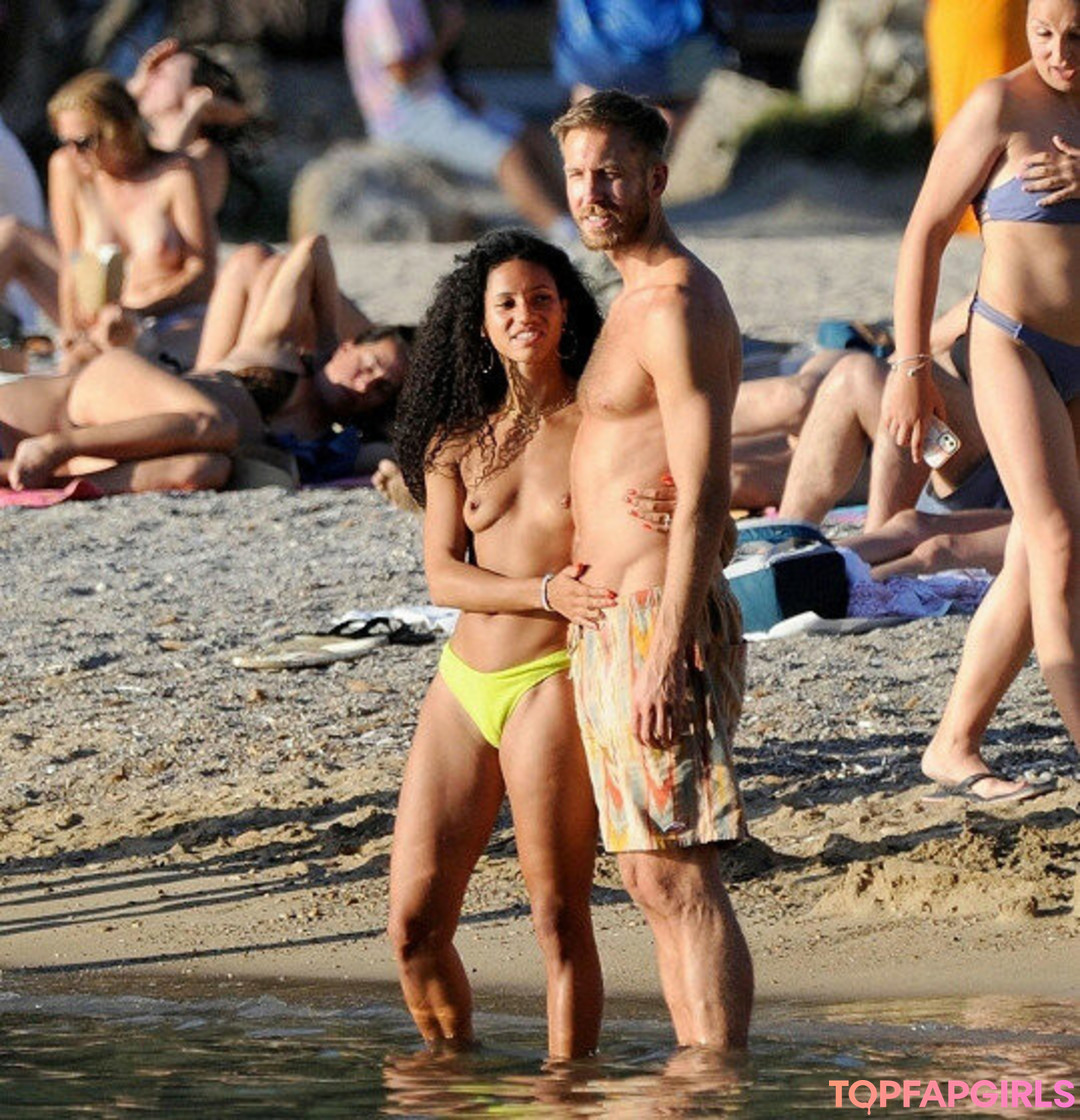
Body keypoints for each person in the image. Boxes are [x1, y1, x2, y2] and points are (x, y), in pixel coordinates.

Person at [553, 90, 753, 1049]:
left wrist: (666, 655)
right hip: (614, 621)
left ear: (657, 179)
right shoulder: (629, 300)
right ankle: (699, 1070)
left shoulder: (675, 303)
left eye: (610, 174)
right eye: (575, 175)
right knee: (647, 872)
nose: (590, 194)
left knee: (679, 873)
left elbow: (707, 485)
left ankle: (718, 1080)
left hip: (653, 623)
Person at [386, 229, 614, 1058]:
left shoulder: (599, 424)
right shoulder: (455, 440)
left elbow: (685, 505)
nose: (525, 315)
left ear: (567, 311)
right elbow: (443, 577)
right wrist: (542, 590)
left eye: (541, 299)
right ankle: (451, 1077)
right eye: (507, 303)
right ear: (479, 323)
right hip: (461, 685)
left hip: (549, 679)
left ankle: (567, 1095)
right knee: (413, 926)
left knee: (556, 916)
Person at [881, 0, 1080, 803]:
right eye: (1044, 32)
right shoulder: (1000, 105)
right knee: (1059, 541)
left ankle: (953, 742)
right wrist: (910, 367)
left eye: (1078, 36)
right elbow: (923, 233)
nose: (1060, 52)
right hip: (1013, 344)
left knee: (1036, 555)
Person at [342, 0, 576, 243]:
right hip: (404, 117)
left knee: (530, 136)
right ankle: (562, 230)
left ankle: (574, 216)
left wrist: (453, 90)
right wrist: (447, 34)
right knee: (509, 155)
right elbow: (401, 73)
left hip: (435, 100)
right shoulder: (381, 5)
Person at [47, 69, 215, 373]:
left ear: (119, 130)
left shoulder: (176, 174)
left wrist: (136, 311)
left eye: (83, 142)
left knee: (144, 365)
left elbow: (202, 273)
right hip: (104, 326)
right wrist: (71, 329)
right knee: (74, 368)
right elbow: (71, 261)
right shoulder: (69, 169)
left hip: (170, 316)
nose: (73, 152)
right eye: (64, 141)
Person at [0, 351, 238, 494]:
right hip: (75, 461)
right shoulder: (69, 473)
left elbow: (211, 425)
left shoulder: (85, 396)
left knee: (212, 425)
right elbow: (198, 469)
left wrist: (59, 446)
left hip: (81, 402)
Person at [127, 38, 254, 219]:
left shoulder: (207, 154)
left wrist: (192, 114)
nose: (148, 80)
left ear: (197, 92)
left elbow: (156, 189)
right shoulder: (140, 144)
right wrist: (133, 89)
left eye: (161, 75)